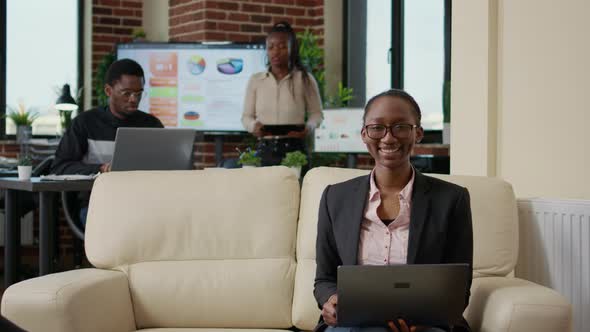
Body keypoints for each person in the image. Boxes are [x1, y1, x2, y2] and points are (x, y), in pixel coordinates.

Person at [314, 89, 473, 332]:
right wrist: (331, 301)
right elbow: (324, 279)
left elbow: (458, 286)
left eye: (400, 126)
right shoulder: (335, 198)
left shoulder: (452, 199)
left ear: (417, 133)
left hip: (424, 327)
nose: (388, 138)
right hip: (352, 326)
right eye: (377, 128)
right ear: (364, 134)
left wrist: (423, 323)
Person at [51, 58, 164, 225]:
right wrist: (101, 169)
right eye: (127, 93)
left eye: (139, 93)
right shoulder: (85, 123)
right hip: (97, 205)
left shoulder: (151, 125)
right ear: (108, 91)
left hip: (143, 203)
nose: (134, 99)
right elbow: (59, 167)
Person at [241, 21, 323, 166]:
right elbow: (246, 117)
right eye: (271, 47)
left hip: (295, 150)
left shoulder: (304, 79)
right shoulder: (256, 80)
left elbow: (316, 114)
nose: (276, 52)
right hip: (265, 148)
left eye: (282, 46)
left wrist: (308, 128)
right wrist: (254, 126)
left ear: (292, 49)